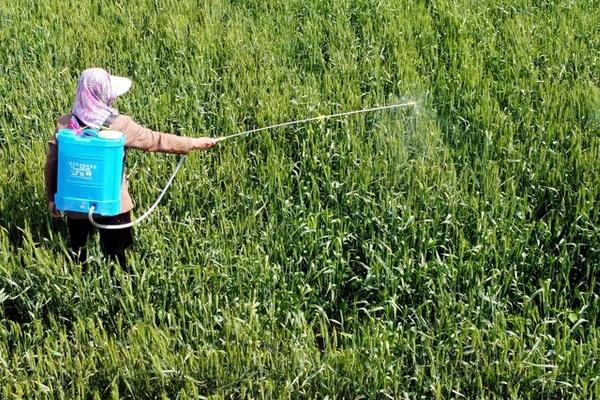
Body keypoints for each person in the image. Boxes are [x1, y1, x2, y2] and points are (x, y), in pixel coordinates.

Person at [44, 67, 216, 267]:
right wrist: (192, 143)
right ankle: (121, 289)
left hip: (75, 206)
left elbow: (51, 164)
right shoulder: (119, 125)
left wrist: (51, 198)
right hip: (113, 206)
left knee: (79, 253)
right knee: (119, 257)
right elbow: (155, 140)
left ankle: (82, 284)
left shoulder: (65, 125)